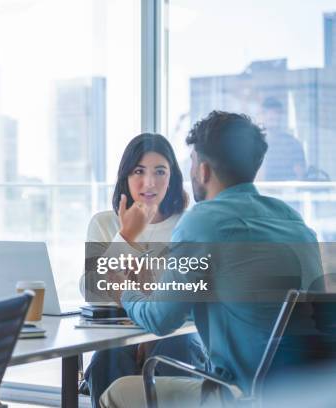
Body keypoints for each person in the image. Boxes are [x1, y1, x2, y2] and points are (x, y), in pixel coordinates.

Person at [100, 111, 323, 408]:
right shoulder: (292, 220)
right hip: (310, 391)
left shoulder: (202, 223)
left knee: (116, 392)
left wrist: (125, 292)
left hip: (240, 395)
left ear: (203, 171)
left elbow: (159, 320)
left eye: (191, 162)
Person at [80, 133, 209, 408]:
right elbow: (93, 290)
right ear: (126, 176)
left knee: (177, 346)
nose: (149, 182)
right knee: (109, 355)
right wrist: (126, 236)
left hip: (178, 336)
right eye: (139, 171)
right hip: (120, 335)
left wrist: (130, 283)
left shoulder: (189, 225)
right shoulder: (104, 223)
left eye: (160, 171)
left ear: (172, 178)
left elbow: (185, 297)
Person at [259, 97, 306, 181]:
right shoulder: (253, 144)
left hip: (287, 193)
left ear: (281, 116)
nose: (271, 117)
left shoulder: (293, 144)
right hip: (260, 192)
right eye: (266, 113)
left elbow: (300, 178)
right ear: (261, 116)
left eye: (275, 113)